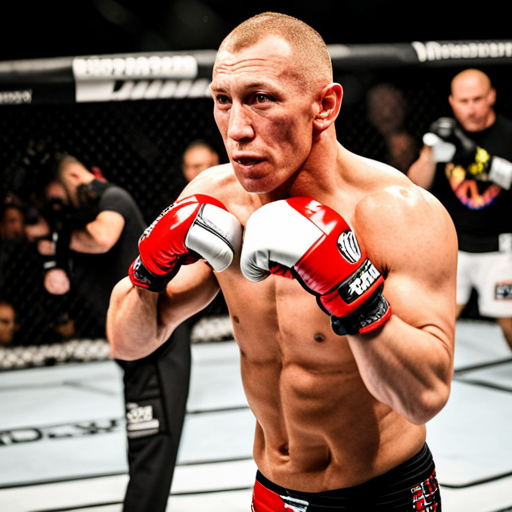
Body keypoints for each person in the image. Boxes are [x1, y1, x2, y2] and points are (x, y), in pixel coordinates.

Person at [107, 12, 457, 511]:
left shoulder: (395, 213)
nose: (236, 129)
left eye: (260, 98)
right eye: (222, 101)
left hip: (383, 495)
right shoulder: (214, 199)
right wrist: (149, 270)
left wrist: (351, 292)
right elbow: (128, 341)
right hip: (271, 492)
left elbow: (424, 396)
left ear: (325, 106)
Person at [31, 154, 191, 512]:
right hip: (132, 342)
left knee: (151, 448)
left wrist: (53, 235)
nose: (50, 202)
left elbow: (103, 238)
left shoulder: (111, 199)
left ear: (73, 175)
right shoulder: (70, 220)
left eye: (52, 193)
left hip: (158, 342)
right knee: (144, 448)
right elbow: (56, 284)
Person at [408, 68, 512, 351]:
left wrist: (479, 160)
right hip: (455, 248)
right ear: (452, 102)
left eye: (477, 99)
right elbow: (416, 185)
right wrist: (429, 152)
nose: (471, 108)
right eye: (464, 101)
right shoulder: (444, 136)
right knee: (436, 323)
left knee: (510, 329)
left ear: (491, 97)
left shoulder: (507, 133)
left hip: (500, 251)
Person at [366, 83, 418, 173]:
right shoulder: (365, 148)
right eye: (379, 108)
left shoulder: (418, 141)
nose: (387, 113)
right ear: (370, 113)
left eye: (393, 108)